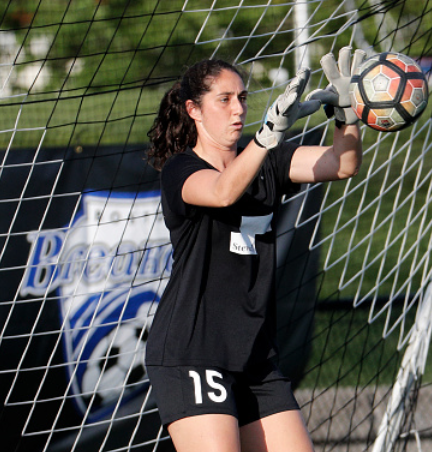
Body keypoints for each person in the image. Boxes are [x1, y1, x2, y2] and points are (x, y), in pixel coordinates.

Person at [145, 47, 366, 452]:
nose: (237, 109)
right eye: (224, 99)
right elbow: (223, 192)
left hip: (255, 357)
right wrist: (266, 136)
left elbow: (343, 164)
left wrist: (347, 113)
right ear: (194, 110)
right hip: (195, 352)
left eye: (242, 98)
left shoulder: (268, 162)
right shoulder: (182, 169)